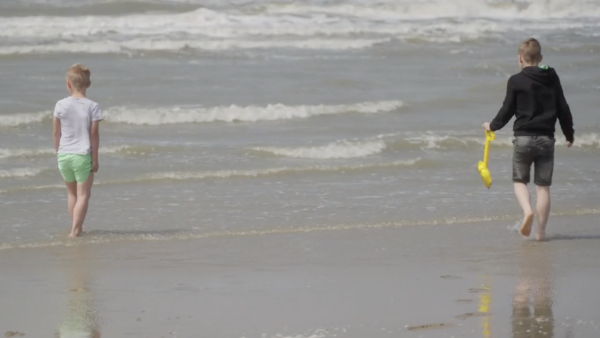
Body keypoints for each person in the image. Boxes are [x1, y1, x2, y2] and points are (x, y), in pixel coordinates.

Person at [482, 38, 574, 241]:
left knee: (519, 181)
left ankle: (527, 211)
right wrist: (569, 133)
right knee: (543, 188)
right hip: (546, 140)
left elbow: (507, 110)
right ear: (540, 58)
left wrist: (493, 125)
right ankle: (540, 233)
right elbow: (562, 107)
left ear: (520, 59)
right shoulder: (552, 77)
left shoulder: (516, 80)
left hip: (523, 139)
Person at [53, 64, 103, 238]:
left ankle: (75, 227)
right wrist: (95, 159)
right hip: (82, 155)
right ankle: (75, 231)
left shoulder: (60, 104)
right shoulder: (93, 106)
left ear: (68, 84)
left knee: (71, 193)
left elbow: (56, 132)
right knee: (83, 195)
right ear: (89, 84)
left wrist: (58, 152)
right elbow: (94, 134)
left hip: (64, 155)